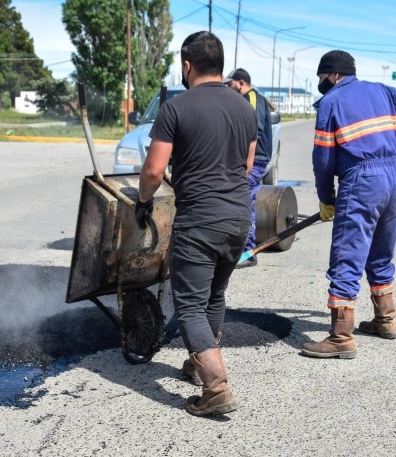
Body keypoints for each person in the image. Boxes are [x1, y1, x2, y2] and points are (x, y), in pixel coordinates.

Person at [136, 31, 257, 416]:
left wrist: (142, 201)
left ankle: (217, 386)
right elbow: (249, 166)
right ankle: (197, 363)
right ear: (220, 65)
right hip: (238, 218)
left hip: (200, 221)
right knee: (214, 296)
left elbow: (154, 170)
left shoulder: (176, 107)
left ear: (186, 66)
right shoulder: (245, 108)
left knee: (188, 305)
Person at [301, 50, 396, 359]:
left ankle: (340, 336)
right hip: (392, 178)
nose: (321, 84)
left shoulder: (330, 103)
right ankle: (385, 319)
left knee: (347, 255)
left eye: (322, 77)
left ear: (332, 75)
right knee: (380, 251)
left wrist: (326, 197)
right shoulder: (383, 91)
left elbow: (323, 159)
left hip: (361, 181)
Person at [223, 68, 273, 269]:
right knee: (243, 200)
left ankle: (248, 253)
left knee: (244, 201)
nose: (228, 87)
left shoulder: (251, 99)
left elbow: (254, 129)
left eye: (230, 83)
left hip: (255, 160)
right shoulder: (250, 98)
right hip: (251, 159)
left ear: (240, 82)